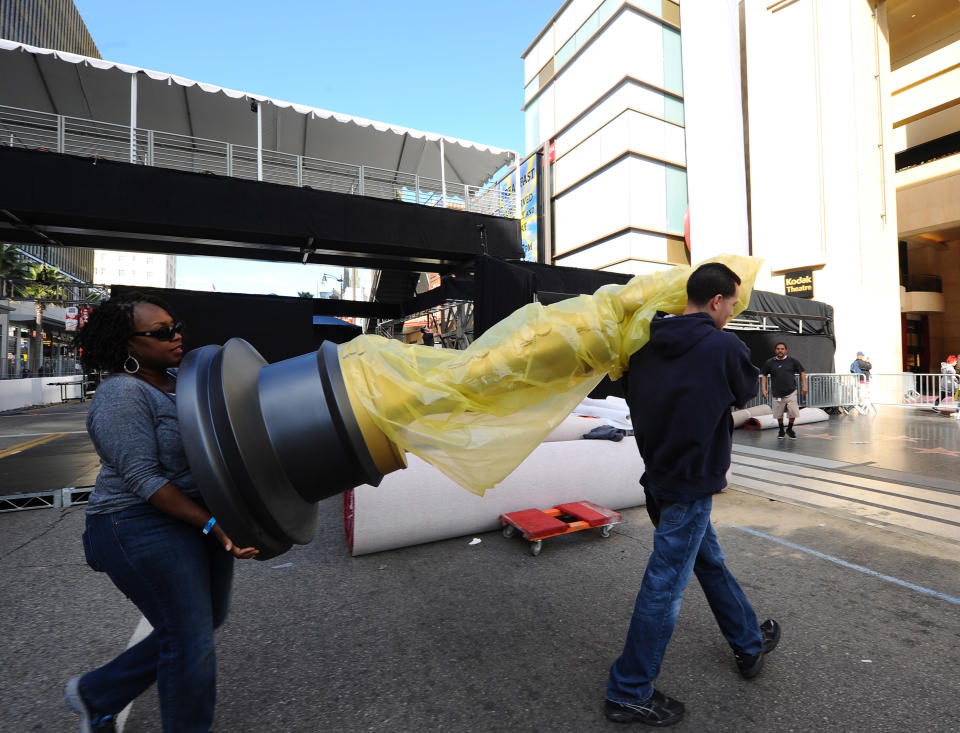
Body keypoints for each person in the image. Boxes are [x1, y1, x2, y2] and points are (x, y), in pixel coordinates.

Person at [66, 292, 258, 733]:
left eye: (175, 326)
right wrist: (213, 524)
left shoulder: (182, 379)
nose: (176, 336)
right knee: (190, 640)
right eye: (160, 332)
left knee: (204, 621)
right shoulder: (121, 394)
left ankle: (96, 695)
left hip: (192, 517)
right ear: (130, 345)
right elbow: (144, 480)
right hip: (134, 523)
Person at [604, 263, 780, 727]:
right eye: (733, 304)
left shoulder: (642, 347)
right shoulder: (723, 346)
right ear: (718, 301)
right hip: (691, 483)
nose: (732, 313)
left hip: (659, 478)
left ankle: (747, 641)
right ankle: (629, 690)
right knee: (664, 587)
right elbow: (745, 392)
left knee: (710, 563)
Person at [761, 343, 807, 439]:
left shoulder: (792, 361)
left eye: (782, 349)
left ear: (786, 350)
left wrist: (804, 386)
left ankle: (789, 429)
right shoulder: (770, 362)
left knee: (793, 412)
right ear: (775, 350)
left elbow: (802, 372)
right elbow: (764, 376)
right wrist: (763, 389)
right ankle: (781, 430)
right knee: (779, 413)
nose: (780, 351)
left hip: (791, 392)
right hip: (777, 393)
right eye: (778, 349)